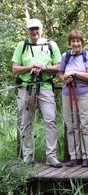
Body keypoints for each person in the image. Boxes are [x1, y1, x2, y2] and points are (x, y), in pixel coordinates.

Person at [12, 18, 62, 167]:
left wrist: (44, 68)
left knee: (50, 120)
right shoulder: (22, 45)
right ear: (27, 31)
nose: (34, 31)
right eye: (31, 29)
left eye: (37, 28)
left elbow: (59, 66)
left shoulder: (51, 45)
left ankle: (51, 156)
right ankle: (27, 155)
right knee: (26, 122)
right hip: (26, 87)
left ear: (41, 29)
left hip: (45, 87)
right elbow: (15, 68)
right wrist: (31, 67)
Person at [58, 30, 88, 167]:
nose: (75, 43)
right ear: (70, 43)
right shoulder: (65, 56)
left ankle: (87, 155)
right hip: (68, 93)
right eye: (73, 41)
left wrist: (74, 73)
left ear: (82, 42)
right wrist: (65, 79)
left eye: (78, 41)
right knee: (71, 125)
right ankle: (74, 155)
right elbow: (60, 73)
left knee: (85, 124)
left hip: (85, 93)